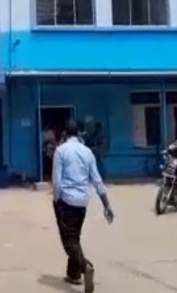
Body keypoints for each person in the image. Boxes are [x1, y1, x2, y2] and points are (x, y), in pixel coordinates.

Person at [52, 120, 113, 293]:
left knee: (69, 241)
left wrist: (56, 200)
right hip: (82, 202)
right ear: (79, 133)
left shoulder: (61, 151)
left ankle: (85, 267)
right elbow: (97, 180)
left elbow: (57, 182)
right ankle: (73, 274)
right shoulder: (87, 152)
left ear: (64, 134)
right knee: (75, 237)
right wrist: (106, 205)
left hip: (67, 201)